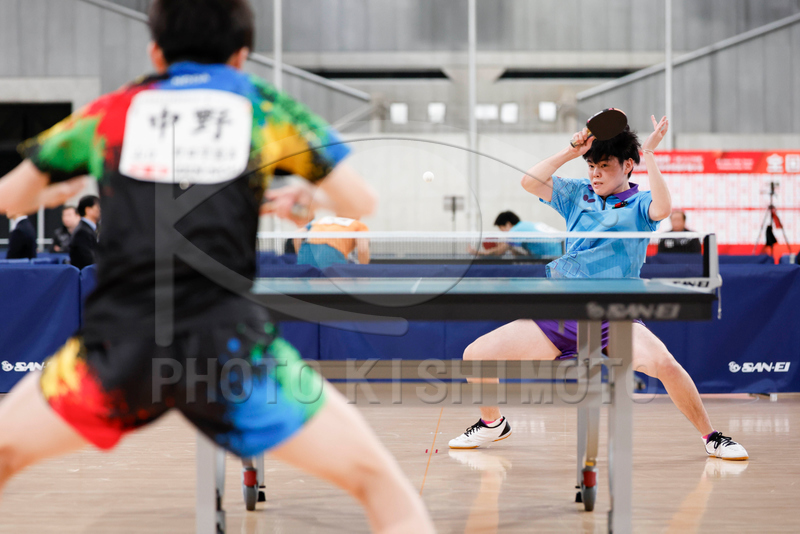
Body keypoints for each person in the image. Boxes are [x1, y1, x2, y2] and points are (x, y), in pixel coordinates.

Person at [0, 1, 433, 532]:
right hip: (230, 352)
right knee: (378, 482)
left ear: (155, 52)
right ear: (241, 55)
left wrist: (54, 191)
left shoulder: (113, 111)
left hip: (119, 350)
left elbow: (10, 196)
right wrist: (306, 197)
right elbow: (361, 201)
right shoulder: (262, 106)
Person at [448, 117, 748, 461]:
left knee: (665, 364)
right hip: (561, 312)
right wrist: (570, 151)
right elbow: (529, 182)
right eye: (591, 166)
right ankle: (492, 424)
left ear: (628, 165)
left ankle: (712, 437)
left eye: (604, 166)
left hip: (614, 315)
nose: (595, 174)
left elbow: (663, 208)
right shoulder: (577, 194)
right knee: (477, 355)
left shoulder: (640, 205)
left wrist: (650, 153)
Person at [472, 211, 562, 258]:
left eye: (502, 229)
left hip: (556, 257)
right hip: (562, 250)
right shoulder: (525, 225)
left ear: (508, 224)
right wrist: (511, 248)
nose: (503, 233)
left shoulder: (515, 231)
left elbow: (499, 251)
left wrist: (478, 253)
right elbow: (526, 257)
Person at [296, 215, 370, 269]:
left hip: (306, 252)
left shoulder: (321, 219)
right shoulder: (359, 225)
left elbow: (297, 236)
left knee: (308, 283)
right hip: (331, 253)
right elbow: (362, 249)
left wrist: (301, 255)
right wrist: (363, 271)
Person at [69, 195, 100, 269]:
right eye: (98, 207)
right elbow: (89, 260)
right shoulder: (82, 232)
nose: (101, 210)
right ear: (88, 210)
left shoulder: (88, 229)